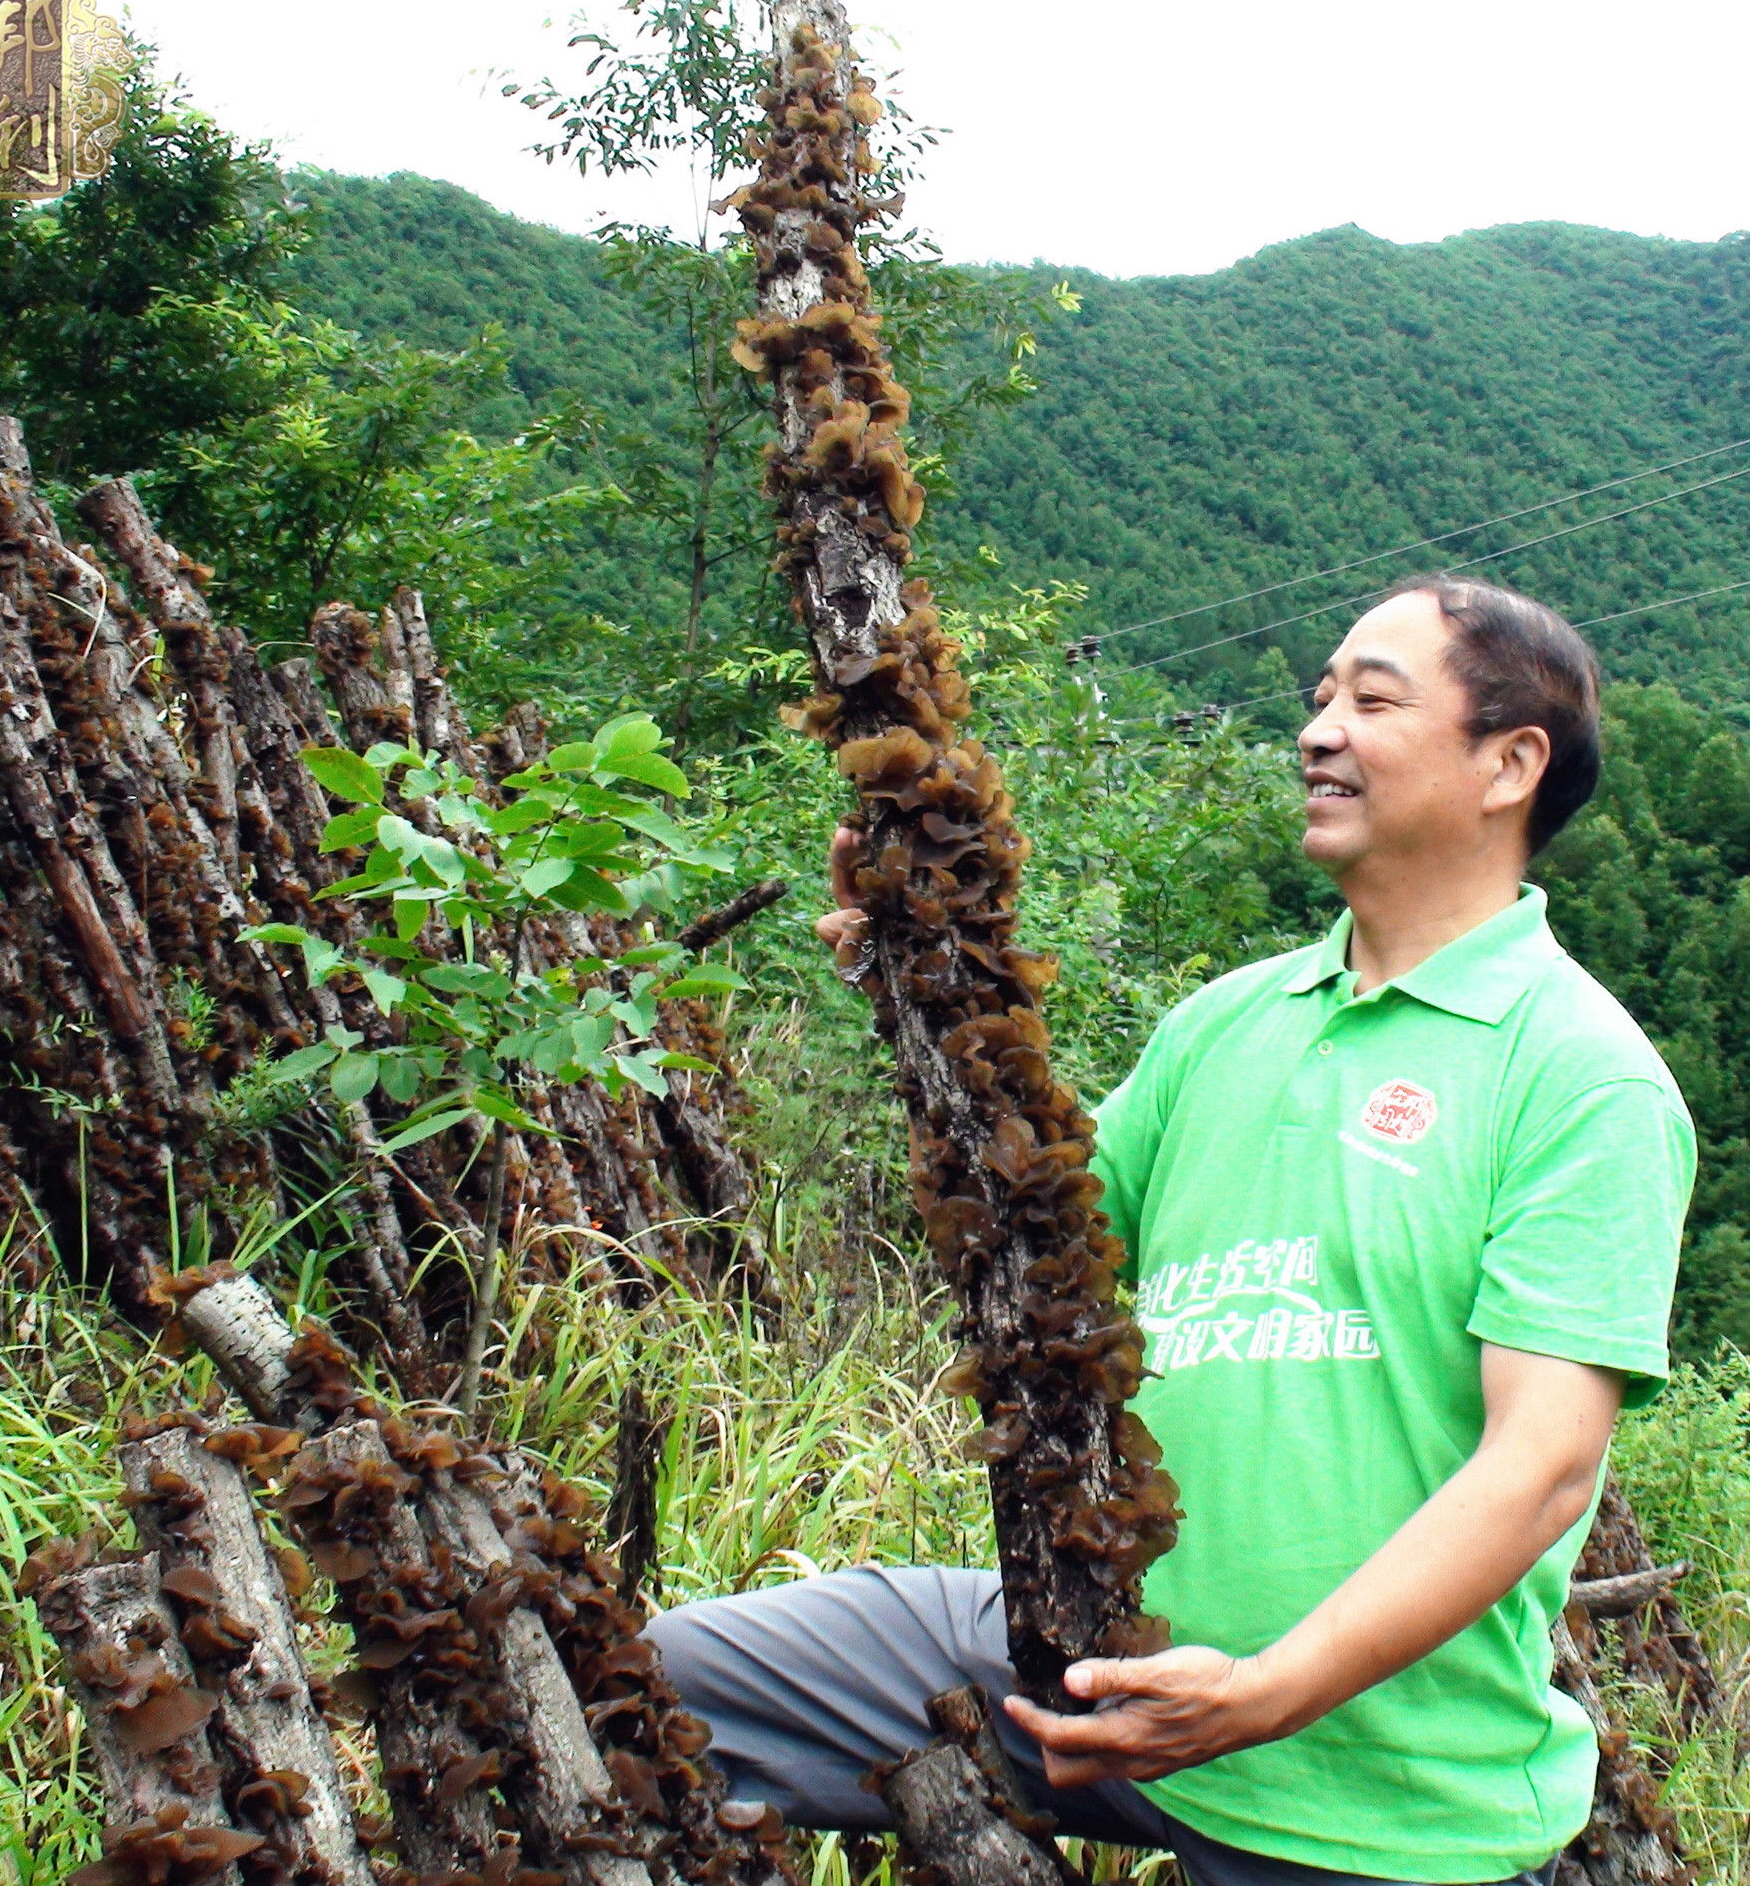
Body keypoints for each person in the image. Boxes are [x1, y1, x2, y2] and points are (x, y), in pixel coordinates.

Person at [648, 575, 1696, 1886]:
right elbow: (1042, 1232)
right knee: (649, 1684)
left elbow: (1540, 1468)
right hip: (1100, 1653)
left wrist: (1266, 1691)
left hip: (1373, 1793)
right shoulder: (1230, 1022)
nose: (1319, 730)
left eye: (1374, 701)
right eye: (1319, 699)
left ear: (1510, 763)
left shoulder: (1580, 1077)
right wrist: (909, 963)